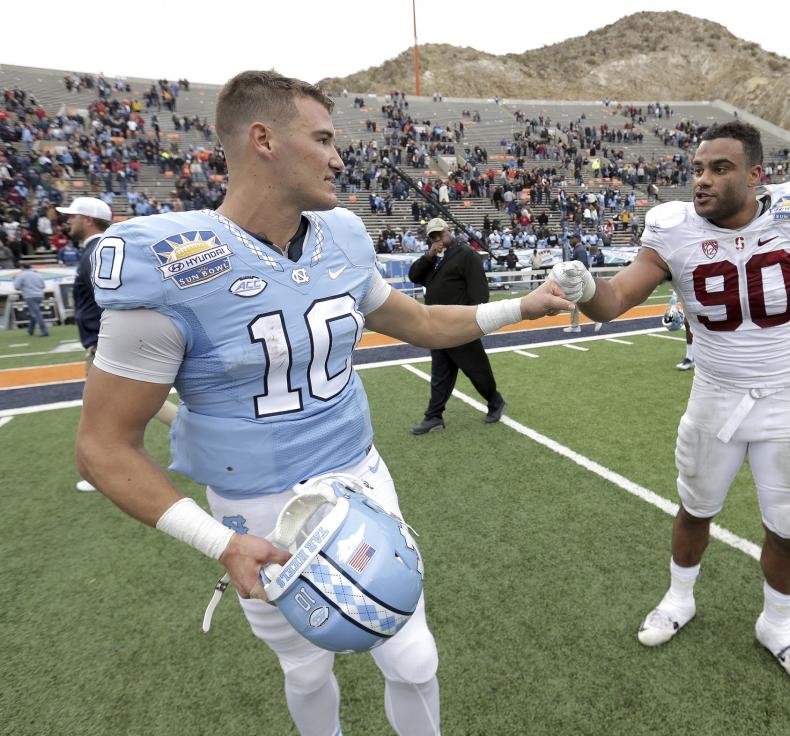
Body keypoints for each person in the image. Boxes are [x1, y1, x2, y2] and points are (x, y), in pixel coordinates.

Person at [74, 71, 571, 736]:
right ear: (264, 141)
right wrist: (220, 543)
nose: (339, 157)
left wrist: (519, 306)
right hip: (257, 510)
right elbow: (104, 445)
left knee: (414, 654)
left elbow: (421, 324)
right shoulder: (170, 262)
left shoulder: (340, 235)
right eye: (323, 138)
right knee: (305, 670)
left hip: (360, 478)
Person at [548, 121, 790, 694]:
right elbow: (616, 299)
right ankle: (680, 599)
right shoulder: (672, 231)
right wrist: (584, 289)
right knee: (694, 508)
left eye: (719, 169)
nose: (702, 180)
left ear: (755, 175)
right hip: (714, 397)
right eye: (697, 169)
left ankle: (777, 625)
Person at [61, 196, 178, 492]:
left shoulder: (96, 253)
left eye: (73, 216)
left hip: (104, 343)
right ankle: (192, 431)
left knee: (104, 415)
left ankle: (103, 469)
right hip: (106, 341)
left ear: (88, 219)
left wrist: (109, 343)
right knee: (138, 405)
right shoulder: (99, 250)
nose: (68, 221)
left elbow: (111, 301)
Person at [407, 218, 509, 434]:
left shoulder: (466, 255)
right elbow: (414, 275)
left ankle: (495, 401)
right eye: (433, 236)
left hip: (459, 324)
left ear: (448, 231)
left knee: (476, 369)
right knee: (440, 374)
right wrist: (428, 255)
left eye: (440, 234)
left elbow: (480, 293)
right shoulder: (433, 259)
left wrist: (473, 321)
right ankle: (434, 416)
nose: (437, 239)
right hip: (437, 326)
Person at [12, 262, 49, 336]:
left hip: (29, 296)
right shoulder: (37, 274)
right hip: (39, 295)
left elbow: (16, 287)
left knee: (36, 313)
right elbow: (43, 286)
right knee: (34, 313)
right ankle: (30, 330)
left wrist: (15, 279)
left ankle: (44, 331)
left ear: (22, 267)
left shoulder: (21, 275)